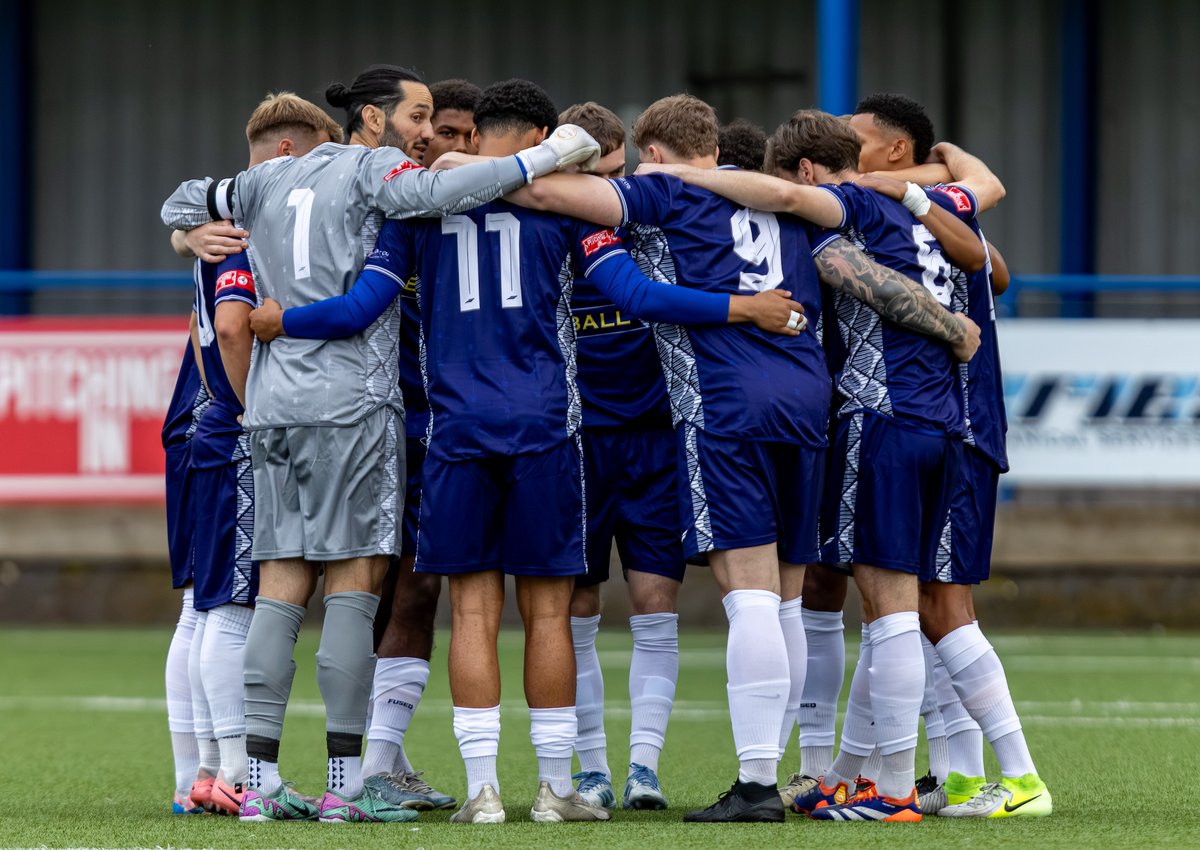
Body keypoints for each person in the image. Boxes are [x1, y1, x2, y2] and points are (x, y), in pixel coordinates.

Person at [248, 79, 806, 824]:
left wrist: (284, 321)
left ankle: (481, 791)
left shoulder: (421, 211)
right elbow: (636, 297)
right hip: (546, 429)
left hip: (456, 433)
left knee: (473, 613)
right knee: (548, 617)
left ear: (476, 134)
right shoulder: (564, 211)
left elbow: (360, 307)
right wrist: (742, 306)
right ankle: (551, 790)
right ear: (547, 136)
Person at [496, 93, 980, 823]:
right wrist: (953, 325)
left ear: (654, 154)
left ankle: (756, 785)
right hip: (808, 404)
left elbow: (537, 189)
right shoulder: (788, 203)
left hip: (725, 406)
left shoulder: (658, 193)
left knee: (748, 593)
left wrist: (464, 171)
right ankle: (795, 770)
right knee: (786, 596)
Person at [160, 63, 603, 824]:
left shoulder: (268, 179)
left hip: (271, 408)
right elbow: (430, 206)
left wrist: (186, 231)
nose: (426, 134)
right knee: (356, 591)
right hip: (353, 406)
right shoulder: (378, 176)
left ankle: (256, 783)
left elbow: (181, 197)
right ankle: (345, 783)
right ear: (372, 119)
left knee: (277, 591)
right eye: (417, 116)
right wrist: (547, 155)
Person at [649, 108, 988, 823]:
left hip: (875, 417)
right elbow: (995, 255)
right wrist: (925, 195)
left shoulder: (839, 212)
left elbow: (817, 233)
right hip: (941, 421)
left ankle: (884, 789)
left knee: (881, 610)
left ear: (801, 170)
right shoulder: (928, 208)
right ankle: (864, 774)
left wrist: (682, 175)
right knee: (870, 606)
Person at [853, 93, 1050, 818]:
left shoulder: (909, 216)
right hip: (957, 427)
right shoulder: (950, 209)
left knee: (940, 605)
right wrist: (924, 181)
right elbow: (983, 190)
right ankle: (962, 775)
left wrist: (899, 187)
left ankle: (1023, 776)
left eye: (861, 143)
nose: (852, 158)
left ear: (898, 153)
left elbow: (987, 231)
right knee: (931, 609)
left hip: (956, 426)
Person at [168, 92, 342, 818]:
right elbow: (235, 331)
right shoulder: (243, 231)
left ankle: (198, 775)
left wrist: (181, 236)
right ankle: (236, 774)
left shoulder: (215, 226)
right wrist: (255, 409)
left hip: (206, 431)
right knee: (228, 607)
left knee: (200, 612)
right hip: (237, 433)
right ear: (286, 155)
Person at [359, 78, 485, 815]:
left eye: (471, 135)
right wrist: (191, 231)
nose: (456, 145)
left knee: (418, 587)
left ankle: (382, 760)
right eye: (444, 131)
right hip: (384, 424)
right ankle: (242, 766)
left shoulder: (506, 206)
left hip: (452, 428)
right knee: (364, 591)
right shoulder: (391, 205)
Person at [550, 100, 680, 812]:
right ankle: (592, 768)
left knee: (657, 605)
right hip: (575, 443)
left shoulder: (654, 222)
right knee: (577, 608)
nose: (613, 189)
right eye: (598, 175)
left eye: (620, 172)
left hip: (655, 439)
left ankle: (644, 771)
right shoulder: (546, 234)